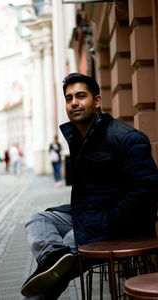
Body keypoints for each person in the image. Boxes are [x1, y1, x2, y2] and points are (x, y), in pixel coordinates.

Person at [21, 73, 158, 299]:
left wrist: (104, 220)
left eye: (80, 96)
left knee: (69, 243)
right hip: (87, 214)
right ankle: (53, 259)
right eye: (68, 98)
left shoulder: (127, 138)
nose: (73, 102)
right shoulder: (79, 138)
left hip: (122, 223)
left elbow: (146, 191)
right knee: (39, 220)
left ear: (96, 101)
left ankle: (53, 266)